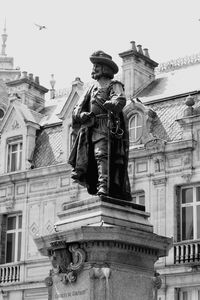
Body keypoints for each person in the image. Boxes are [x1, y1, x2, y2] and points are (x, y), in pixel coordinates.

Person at [68, 50, 131, 201]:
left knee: (101, 154)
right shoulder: (91, 88)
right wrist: (81, 114)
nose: (94, 69)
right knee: (93, 156)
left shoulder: (114, 85)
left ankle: (104, 185)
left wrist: (112, 103)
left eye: (97, 66)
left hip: (107, 125)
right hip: (91, 127)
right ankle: (98, 182)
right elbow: (77, 108)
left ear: (105, 68)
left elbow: (120, 99)